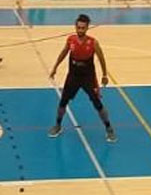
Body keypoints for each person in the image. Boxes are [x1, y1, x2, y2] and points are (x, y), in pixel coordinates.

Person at [48, 14, 116, 143]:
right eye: (78, 27)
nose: (80, 30)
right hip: (73, 76)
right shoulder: (70, 40)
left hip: (88, 77)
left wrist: (104, 75)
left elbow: (101, 58)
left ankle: (109, 128)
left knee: (98, 104)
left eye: (83, 28)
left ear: (87, 28)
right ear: (75, 27)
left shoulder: (93, 42)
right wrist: (55, 67)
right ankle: (58, 125)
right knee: (63, 102)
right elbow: (63, 52)